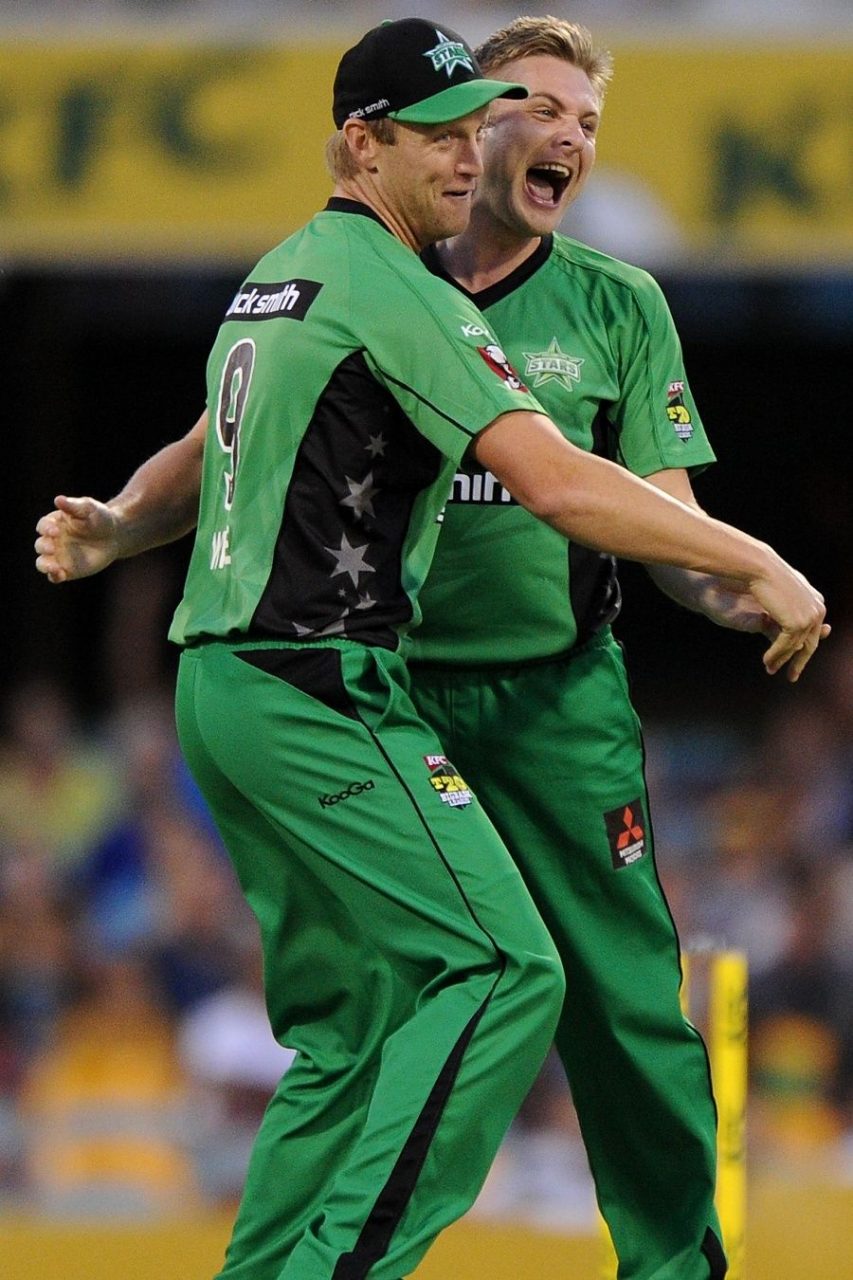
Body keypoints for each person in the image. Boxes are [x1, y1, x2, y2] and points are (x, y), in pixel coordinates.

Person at [34, 17, 828, 1280]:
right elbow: (556, 482)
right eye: (517, 114)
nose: (551, 136)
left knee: (597, 1008)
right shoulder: (397, 281)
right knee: (492, 974)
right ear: (429, 135)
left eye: (584, 121)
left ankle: (663, 1267)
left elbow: (660, 519)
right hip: (370, 692)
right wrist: (766, 560)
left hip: (533, 696)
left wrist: (721, 582)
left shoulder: (588, 300)